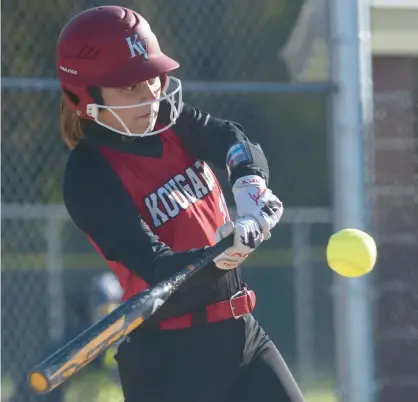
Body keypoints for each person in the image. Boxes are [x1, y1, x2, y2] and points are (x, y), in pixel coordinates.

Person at [57, 5, 304, 402]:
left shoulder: (170, 120)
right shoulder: (89, 174)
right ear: (86, 94)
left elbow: (231, 139)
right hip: (169, 365)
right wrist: (219, 256)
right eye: (130, 86)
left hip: (242, 335)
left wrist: (249, 184)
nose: (150, 94)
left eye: (152, 78)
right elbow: (153, 264)